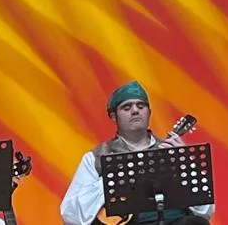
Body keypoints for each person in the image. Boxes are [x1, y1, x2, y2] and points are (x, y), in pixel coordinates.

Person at [59, 82, 214, 225]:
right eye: (127, 108)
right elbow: (70, 215)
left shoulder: (172, 151)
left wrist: (183, 162)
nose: (135, 111)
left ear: (149, 113)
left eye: (141, 106)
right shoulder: (96, 157)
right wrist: (112, 181)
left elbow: (205, 210)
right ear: (114, 117)